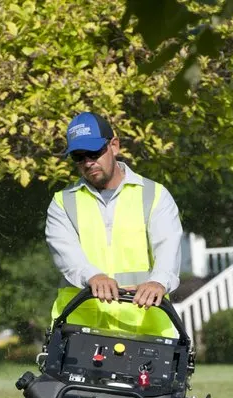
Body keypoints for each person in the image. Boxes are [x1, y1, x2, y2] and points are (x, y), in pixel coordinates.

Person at [45, 112, 183, 337]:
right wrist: (93, 277)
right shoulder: (63, 202)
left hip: (146, 328)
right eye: (79, 157)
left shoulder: (155, 195)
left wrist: (158, 281)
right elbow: (67, 255)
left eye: (94, 152)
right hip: (79, 328)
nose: (88, 162)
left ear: (114, 146)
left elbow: (168, 248)